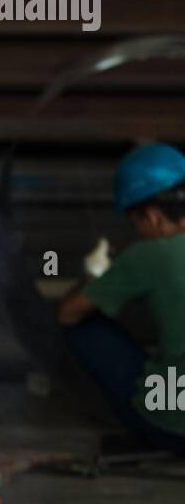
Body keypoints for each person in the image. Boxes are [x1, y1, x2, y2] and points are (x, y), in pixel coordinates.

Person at [58, 143, 185, 454]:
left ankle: (155, 422)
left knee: (84, 328)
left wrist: (95, 272)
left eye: (136, 223)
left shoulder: (150, 253)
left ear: (153, 216)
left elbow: (68, 314)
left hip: (175, 427)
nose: (138, 232)